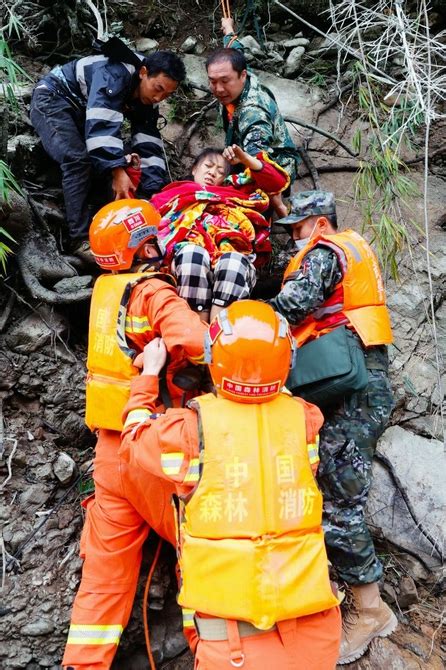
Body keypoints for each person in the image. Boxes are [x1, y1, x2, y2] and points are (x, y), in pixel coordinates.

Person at [119, 300, 341, 669]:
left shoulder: (188, 431)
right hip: (318, 633)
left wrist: (148, 377)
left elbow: (133, 443)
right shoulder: (305, 420)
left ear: (212, 357)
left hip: (237, 647)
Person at [62, 198, 207, 669]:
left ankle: (82, 664)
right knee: (203, 552)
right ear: (145, 243)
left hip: (109, 449)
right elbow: (196, 342)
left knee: (104, 577)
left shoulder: (106, 291)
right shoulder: (151, 292)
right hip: (154, 447)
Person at [267, 190, 397, 664]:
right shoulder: (353, 248)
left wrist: (237, 320)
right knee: (324, 486)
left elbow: (292, 305)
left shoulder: (326, 250)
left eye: (296, 228)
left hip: (350, 385)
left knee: (340, 501)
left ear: (317, 223)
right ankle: (340, 593)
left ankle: (370, 610)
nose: (292, 239)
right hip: (356, 381)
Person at [30, 41, 185, 262]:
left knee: (120, 160)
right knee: (78, 160)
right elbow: (101, 126)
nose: (158, 98)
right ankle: (79, 239)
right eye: (158, 89)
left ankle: (115, 233)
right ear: (143, 73)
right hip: (53, 100)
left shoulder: (148, 97)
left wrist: (152, 195)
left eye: (166, 95)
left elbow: (149, 143)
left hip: (82, 113)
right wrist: (117, 171)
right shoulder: (115, 74)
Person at [150, 144, 289, 322]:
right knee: (192, 255)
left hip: (231, 254)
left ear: (225, 178)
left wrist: (245, 159)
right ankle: (196, 332)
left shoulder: (234, 193)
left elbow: (276, 182)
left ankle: (220, 336)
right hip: (183, 257)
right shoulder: (171, 194)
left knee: (234, 262)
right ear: (194, 169)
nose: (212, 173)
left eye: (220, 171)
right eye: (208, 166)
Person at [205, 17, 300, 216]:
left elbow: (259, 164)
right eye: (213, 81)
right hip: (245, 149)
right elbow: (234, 49)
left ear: (243, 75)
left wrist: (279, 208)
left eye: (225, 81)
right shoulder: (235, 68)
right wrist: (228, 29)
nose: (219, 89)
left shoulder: (253, 113)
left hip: (276, 167)